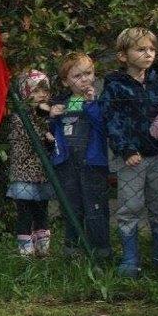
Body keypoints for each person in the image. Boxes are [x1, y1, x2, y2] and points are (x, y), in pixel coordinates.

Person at [98, 27, 158, 277]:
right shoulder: (115, 87)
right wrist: (126, 148)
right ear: (122, 56)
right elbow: (111, 119)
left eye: (151, 49)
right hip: (131, 159)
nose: (149, 54)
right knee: (130, 207)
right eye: (141, 49)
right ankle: (130, 259)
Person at [49, 53, 111, 259]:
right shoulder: (62, 102)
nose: (84, 79)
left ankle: (100, 252)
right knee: (71, 206)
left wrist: (91, 103)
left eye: (88, 73)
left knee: (95, 206)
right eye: (78, 76)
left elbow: (103, 126)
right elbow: (53, 132)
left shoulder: (99, 99)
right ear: (66, 81)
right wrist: (52, 116)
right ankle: (71, 250)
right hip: (67, 163)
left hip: (92, 163)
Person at [7, 69, 56, 257]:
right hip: (24, 174)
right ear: (26, 93)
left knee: (42, 210)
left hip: (42, 174)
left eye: (45, 90)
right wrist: (45, 135)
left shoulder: (46, 116)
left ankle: (43, 248)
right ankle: (25, 249)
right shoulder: (21, 117)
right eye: (36, 91)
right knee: (25, 212)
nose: (42, 95)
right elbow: (30, 138)